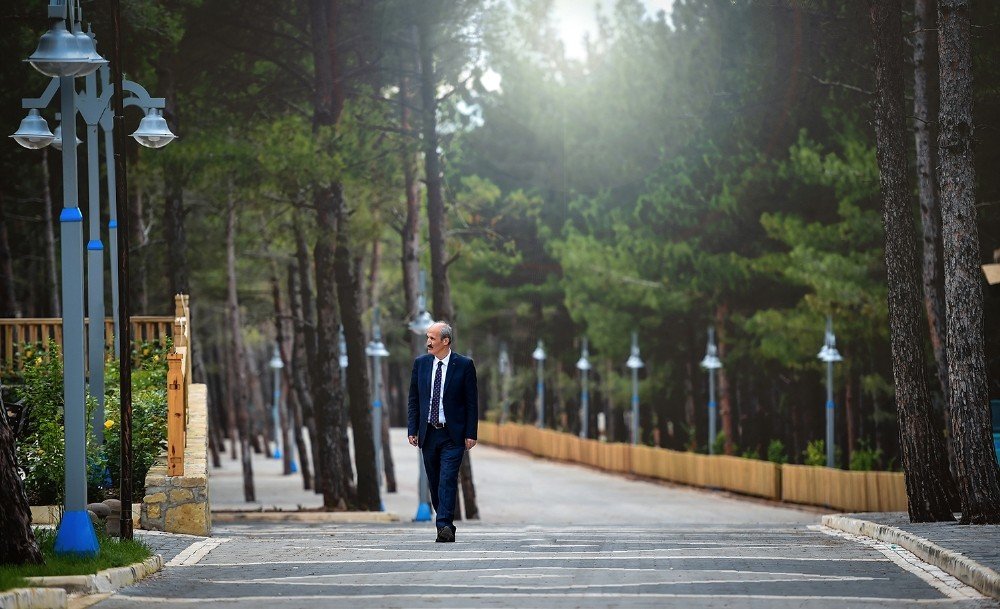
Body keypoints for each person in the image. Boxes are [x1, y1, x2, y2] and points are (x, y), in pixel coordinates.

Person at [407, 321, 478, 542]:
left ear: (445, 341)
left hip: (452, 434)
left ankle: (444, 525)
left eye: (432, 338)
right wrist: (413, 428)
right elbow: (413, 400)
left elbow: (471, 402)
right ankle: (444, 519)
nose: (428, 342)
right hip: (428, 433)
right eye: (427, 337)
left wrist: (471, 433)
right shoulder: (421, 364)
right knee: (435, 480)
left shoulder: (464, 365)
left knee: (448, 479)